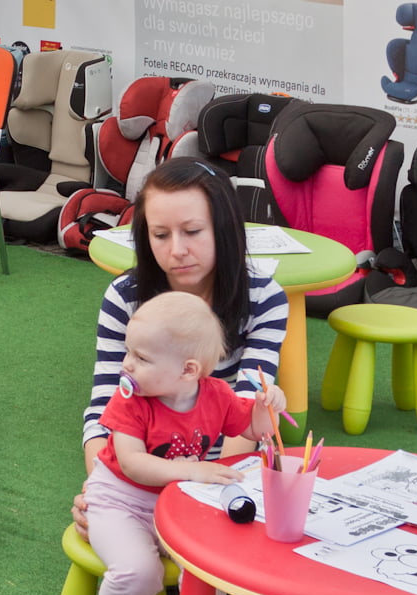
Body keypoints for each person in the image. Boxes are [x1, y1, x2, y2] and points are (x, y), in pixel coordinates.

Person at [75, 157, 288, 521]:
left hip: (219, 474)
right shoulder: (126, 297)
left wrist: (212, 491)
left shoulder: (263, 298)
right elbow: (105, 407)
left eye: (192, 231)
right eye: (160, 235)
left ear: (223, 229)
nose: (176, 250)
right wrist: (101, 490)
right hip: (141, 473)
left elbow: (247, 406)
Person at [81, 290, 276, 595]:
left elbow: (257, 429)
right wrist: (192, 469)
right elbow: (133, 464)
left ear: (188, 371)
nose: (127, 364)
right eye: (128, 352)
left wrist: (267, 405)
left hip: (176, 504)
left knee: (208, 570)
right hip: (118, 500)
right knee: (139, 571)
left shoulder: (217, 395)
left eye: (141, 358)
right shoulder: (129, 400)